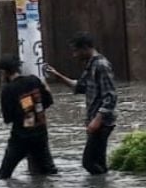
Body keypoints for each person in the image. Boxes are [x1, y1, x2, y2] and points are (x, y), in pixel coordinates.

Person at [45, 32, 118, 175]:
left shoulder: (101, 66)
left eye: (76, 51)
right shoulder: (91, 65)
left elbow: (111, 96)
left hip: (102, 122)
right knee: (98, 162)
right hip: (95, 120)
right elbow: (80, 87)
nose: (74, 55)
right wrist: (58, 75)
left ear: (85, 48)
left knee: (88, 162)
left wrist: (97, 120)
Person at [0, 55, 58, 179]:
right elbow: (48, 101)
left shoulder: (7, 90)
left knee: (4, 174)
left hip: (20, 138)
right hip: (40, 134)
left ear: (4, 72)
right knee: (50, 172)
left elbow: (8, 119)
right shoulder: (34, 80)